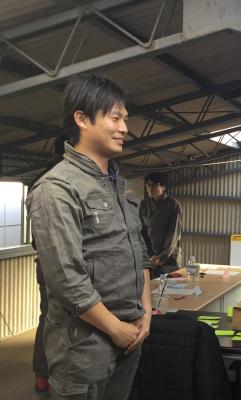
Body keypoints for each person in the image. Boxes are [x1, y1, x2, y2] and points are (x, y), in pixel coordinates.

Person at [26, 75, 152, 400]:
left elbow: (139, 254)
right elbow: (66, 279)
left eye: (125, 119)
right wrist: (114, 328)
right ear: (82, 119)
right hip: (84, 346)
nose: (124, 128)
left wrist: (146, 312)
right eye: (115, 118)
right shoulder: (57, 189)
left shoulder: (119, 186)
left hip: (129, 335)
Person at [30, 134, 67, 393]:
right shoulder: (64, 179)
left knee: (48, 317)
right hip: (62, 264)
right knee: (66, 320)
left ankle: (42, 376)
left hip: (44, 261)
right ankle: (56, 377)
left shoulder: (38, 179)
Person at [139, 172, 183, 279]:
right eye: (148, 185)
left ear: (163, 187)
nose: (150, 188)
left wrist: (162, 257)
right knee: (152, 287)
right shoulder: (144, 204)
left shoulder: (173, 205)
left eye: (153, 185)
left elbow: (173, 234)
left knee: (170, 286)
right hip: (151, 258)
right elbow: (142, 232)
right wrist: (150, 254)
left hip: (169, 258)